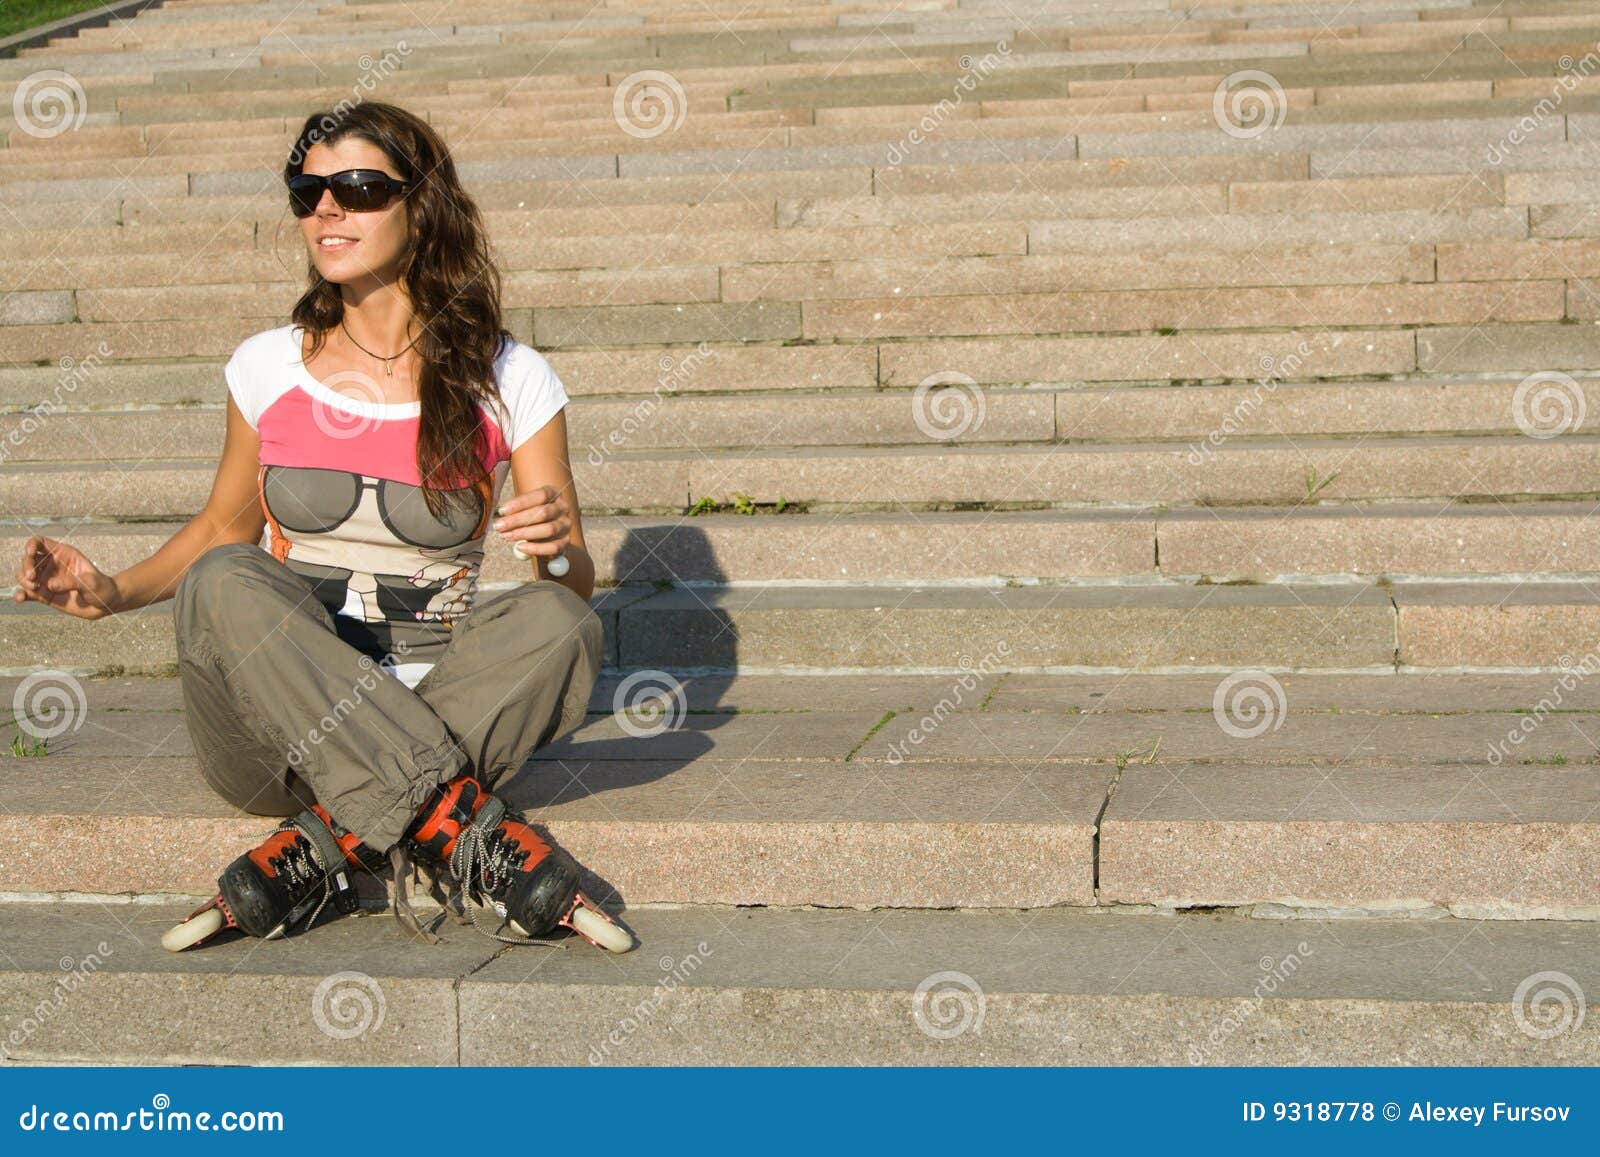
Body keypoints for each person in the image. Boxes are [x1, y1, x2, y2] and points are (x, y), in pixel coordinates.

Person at [11, 101, 618, 950]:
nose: (328, 210)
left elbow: (572, 582)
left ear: (423, 205)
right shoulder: (266, 364)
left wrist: (557, 555)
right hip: (275, 735)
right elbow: (222, 528)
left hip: (442, 707)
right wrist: (111, 592)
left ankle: (330, 842)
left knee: (561, 621)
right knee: (227, 576)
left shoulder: (510, 376)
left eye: (360, 188)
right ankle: (455, 826)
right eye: (309, 191)